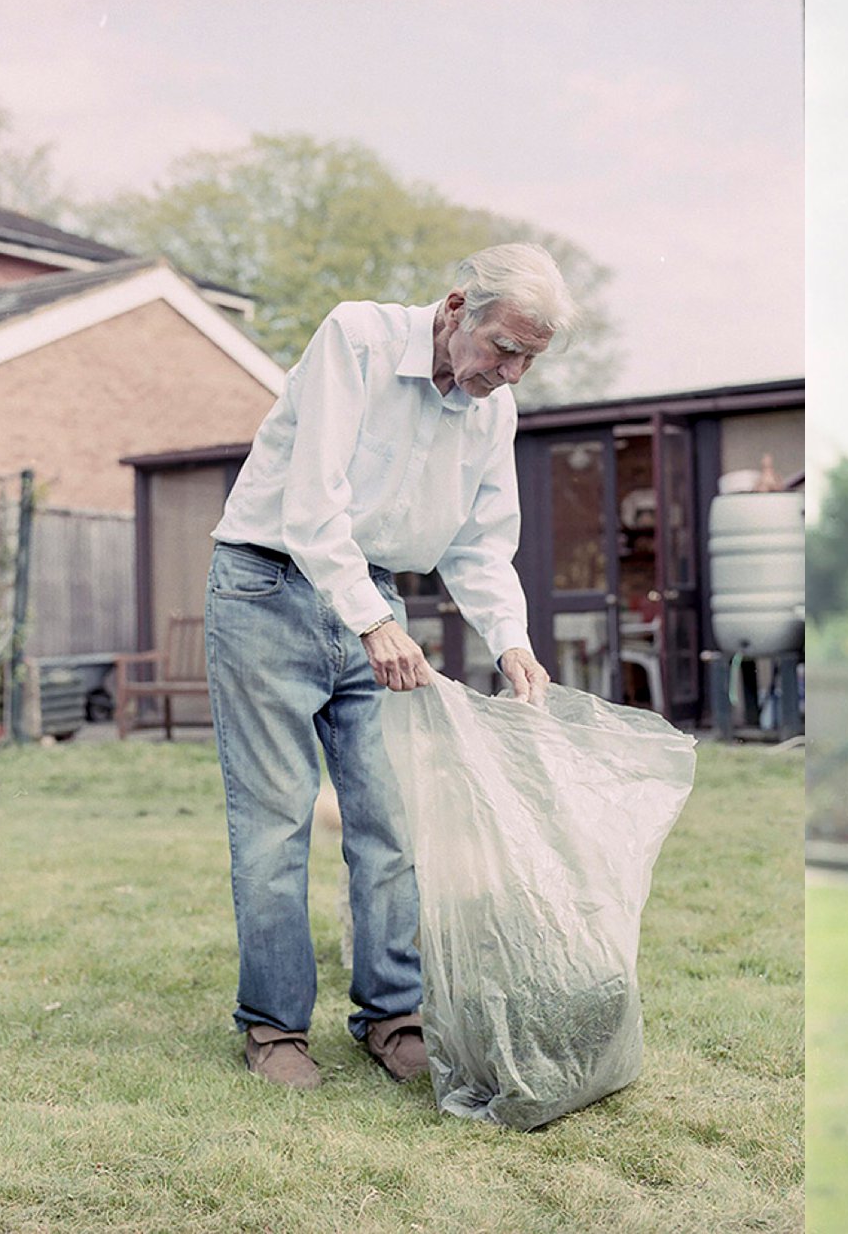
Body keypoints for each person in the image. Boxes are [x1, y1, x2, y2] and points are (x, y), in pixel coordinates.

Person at [205, 243, 575, 1090]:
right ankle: (274, 1029)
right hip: (265, 582)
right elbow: (311, 503)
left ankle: (393, 1014)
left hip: (371, 594)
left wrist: (511, 642)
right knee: (274, 823)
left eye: (530, 359)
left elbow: (482, 546)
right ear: (455, 310)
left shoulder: (492, 411)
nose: (511, 373)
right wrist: (374, 621)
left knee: (391, 823)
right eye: (504, 348)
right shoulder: (357, 340)